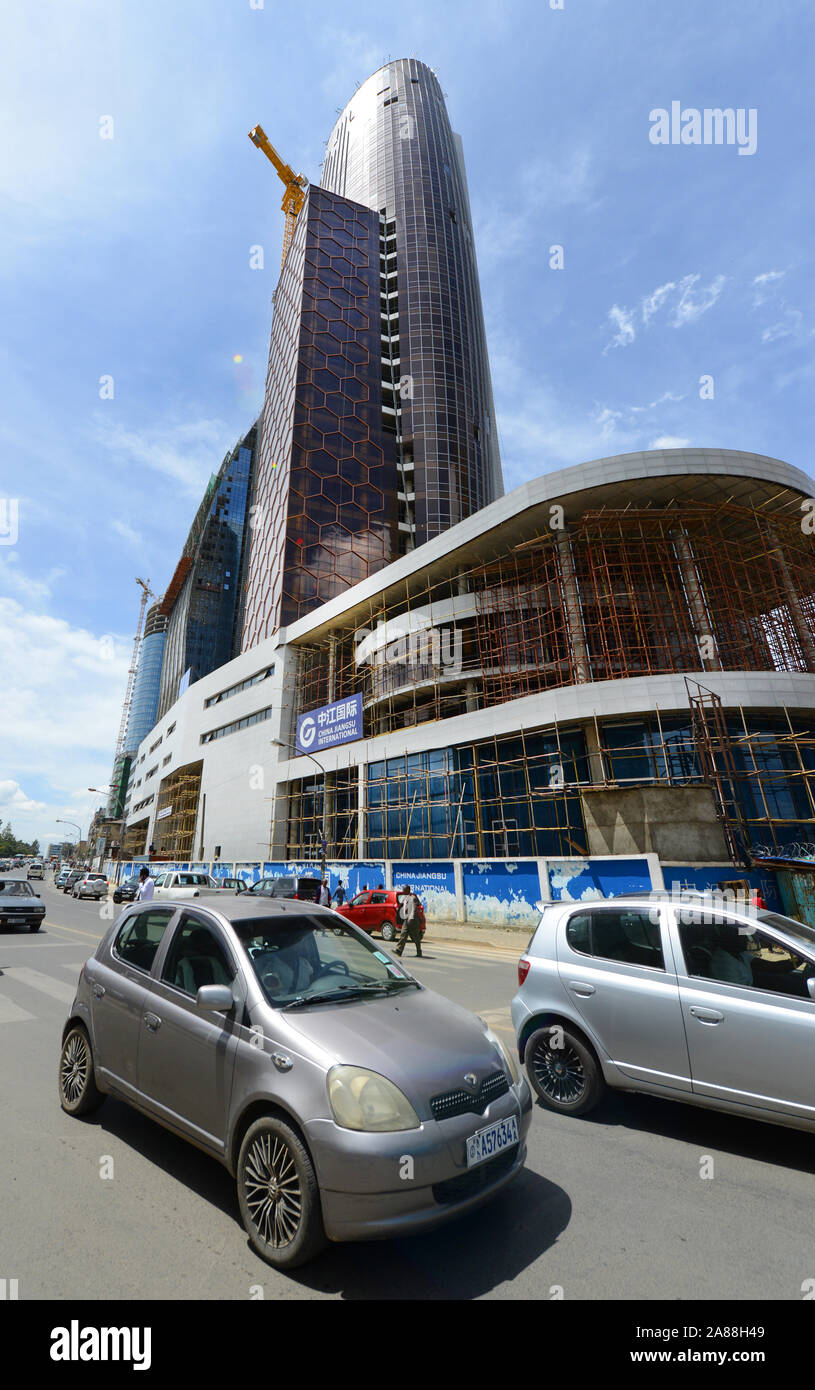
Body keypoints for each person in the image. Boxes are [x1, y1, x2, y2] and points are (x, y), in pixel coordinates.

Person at [393, 884, 423, 958]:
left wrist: (411, 919)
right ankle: (399, 951)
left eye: (404, 890)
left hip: (413, 920)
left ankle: (419, 951)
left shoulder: (413, 898)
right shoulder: (405, 898)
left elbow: (414, 909)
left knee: (415, 937)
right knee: (403, 934)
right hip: (406, 920)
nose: (402, 891)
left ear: (408, 890)